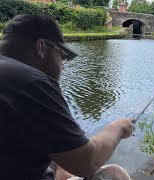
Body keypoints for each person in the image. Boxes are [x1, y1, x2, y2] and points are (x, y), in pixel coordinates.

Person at [0, 15, 135, 180]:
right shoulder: (31, 82)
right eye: (62, 56)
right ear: (41, 47)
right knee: (115, 174)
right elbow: (87, 162)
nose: (63, 66)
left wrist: (60, 164)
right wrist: (118, 128)